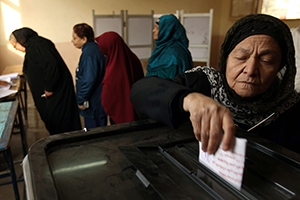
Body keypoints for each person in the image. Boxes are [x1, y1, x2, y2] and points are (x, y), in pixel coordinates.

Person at [131, 14, 300, 155]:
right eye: (241, 58)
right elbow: (141, 90)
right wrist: (189, 99)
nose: (250, 70)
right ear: (226, 58)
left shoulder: (290, 109)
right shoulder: (206, 83)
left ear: (281, 67)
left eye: (266, 60)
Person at [9, 27, 81, 135]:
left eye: (15, 46)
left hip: (56, 93)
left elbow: (51, 66)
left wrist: (49, 88)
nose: (16, 48)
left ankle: (66, 144)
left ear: (21, 40)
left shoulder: (38, 45)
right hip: (51, 93)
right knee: (55, 121)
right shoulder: (33, 46)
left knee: (60, 122)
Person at [95, 31, 144, 124]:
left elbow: (108, 97)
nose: (102, 51)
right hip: (137, 110)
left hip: (120, 116)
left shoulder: (113, 67)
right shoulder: (133, 58)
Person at [72, 23, 107, 129]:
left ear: (84, 39)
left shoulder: (89, 54)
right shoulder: (93, 49)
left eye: (75, 38)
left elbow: (89, 79)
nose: (72, 41)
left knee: (94, 132)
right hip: (97, 100)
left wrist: (81, 99)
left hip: (93, 103)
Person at [146, 14, 193, 79]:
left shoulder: (174, 55)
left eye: (157, 28)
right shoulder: (161, 49)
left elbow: (172, 83)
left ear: (167, 30)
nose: (153, 30)